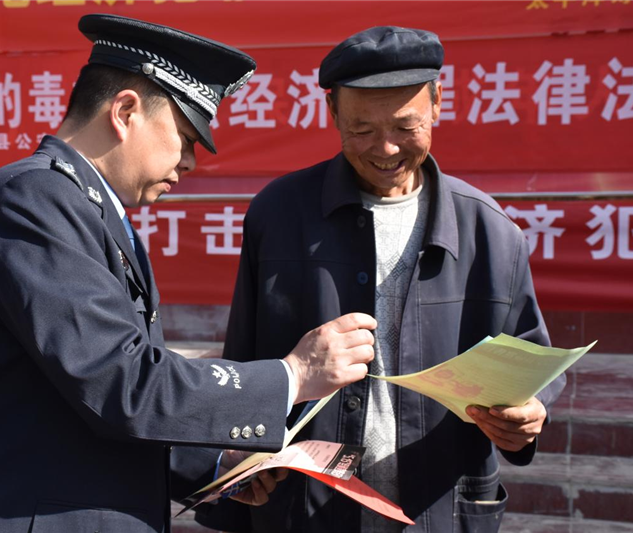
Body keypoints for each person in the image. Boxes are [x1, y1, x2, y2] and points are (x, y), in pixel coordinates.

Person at [0, 14, 378, 533]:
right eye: (185, 137)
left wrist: (212, 464)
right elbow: (120, 381)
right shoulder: (34, 197)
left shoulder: (89, 209)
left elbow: (85, 399)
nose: (189, 162)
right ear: (125, 112)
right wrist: (291, 376)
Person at [194, 26, 566, 533]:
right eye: (362, 129)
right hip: (307, 510)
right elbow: (245, 363)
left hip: (440, 508)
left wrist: (529, 412)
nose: (386, 148)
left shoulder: (490, 231)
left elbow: (531, 361)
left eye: (405, 126)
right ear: (332, 113)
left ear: (437, 103)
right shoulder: (279, 216)